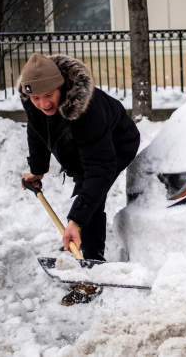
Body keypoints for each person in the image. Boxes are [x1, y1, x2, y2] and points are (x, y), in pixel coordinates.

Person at [18, 52, 140, 305]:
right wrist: (38, 169)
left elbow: (99, 169)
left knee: (90, 200)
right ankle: (87, 250)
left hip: (116, 145)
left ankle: (93, 270)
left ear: (61, 85)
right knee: (85, 192)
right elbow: (37, 133)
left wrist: (76, 219)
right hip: (80, 148)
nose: (43, 104)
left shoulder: (87, 109)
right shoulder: (35, 103)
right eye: (36, 97)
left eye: (49, 95)